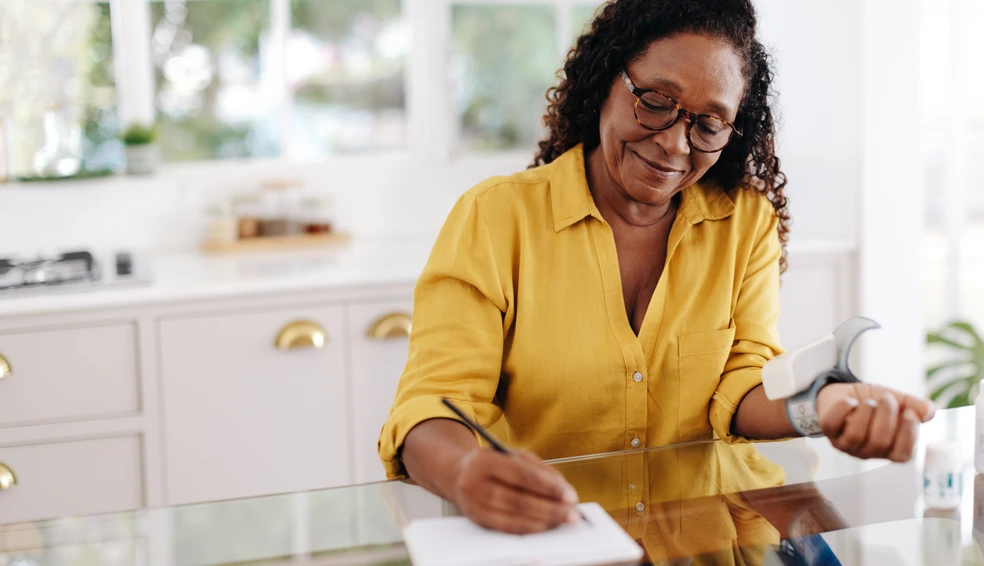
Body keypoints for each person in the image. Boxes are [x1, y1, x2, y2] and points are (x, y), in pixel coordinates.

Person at [379, 0, 935, 535]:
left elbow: (743, 381)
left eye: (708, 124)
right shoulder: (497, 218)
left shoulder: (743, 223)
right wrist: (462, 472)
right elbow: (434, 400)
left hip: (707, 538)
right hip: (557, 540)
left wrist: (825, 406)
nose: (673, 143)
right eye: (655, 100)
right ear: (606, 80)